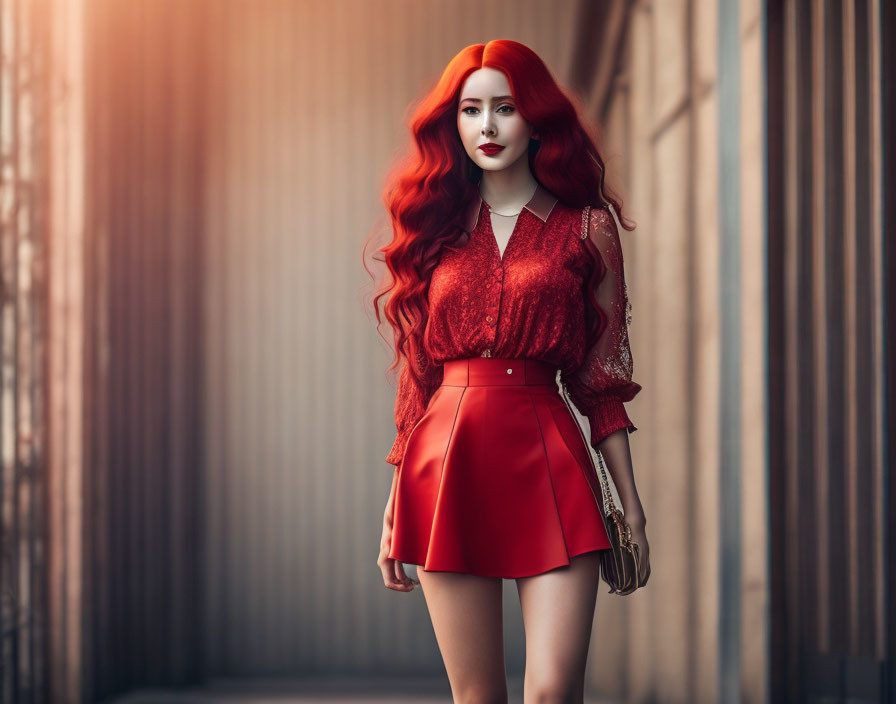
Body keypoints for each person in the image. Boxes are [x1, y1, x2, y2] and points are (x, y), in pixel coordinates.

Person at [365, 39, 650, 704]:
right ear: (454, 122)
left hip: (550, 455)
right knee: (478, 698)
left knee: (552, 692)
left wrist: (629, 507)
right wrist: (393, 499)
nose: (487, 127)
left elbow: (603, 380)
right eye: (471, 109)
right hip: (445, 465)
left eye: (505, 108)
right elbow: (419, 377)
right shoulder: (431, 228)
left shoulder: (587, 227)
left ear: (536, 119)